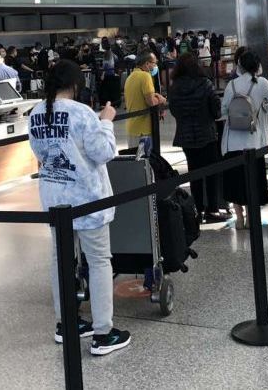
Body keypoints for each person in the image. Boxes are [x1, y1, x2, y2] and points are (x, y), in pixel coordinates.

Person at [27, 59, 130, 355]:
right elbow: (103, 152)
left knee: (61, 261)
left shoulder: (36, 113)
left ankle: (66, 323)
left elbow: (40, 153)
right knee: (98, 261)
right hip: (87, 199)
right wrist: (106, 120)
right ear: (75, 84)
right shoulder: (82, 112)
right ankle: (103, 333)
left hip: (54, 199)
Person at [220, 50, 268, 229]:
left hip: (232, 141)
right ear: (257, 66)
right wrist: (262, 109)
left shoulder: (231, 84)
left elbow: (223, 110)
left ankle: (239, 219)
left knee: (235, 183)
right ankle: (250, 219)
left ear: (239, 66)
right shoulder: (261, 83)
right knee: (251, 181)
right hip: (252, 142)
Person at [168, 53, 227, 222]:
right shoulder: (205, 84)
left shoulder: (174, 87)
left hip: (186, 136)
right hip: (206, 134)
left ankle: (198, 210)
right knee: (211, 172)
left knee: (194, 173)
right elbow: (216, 110)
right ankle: (212, 210)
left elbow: (174, 110)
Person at [123, 52, 165, 150]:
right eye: (154, 63)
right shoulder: (145, 76)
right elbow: (151, 102)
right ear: (147, 63)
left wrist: (155, 96)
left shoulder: (131, 77)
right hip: (143, 130)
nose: (155, 66)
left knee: (135, 158)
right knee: (147, 158)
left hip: (132, 127)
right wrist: (161, 99)